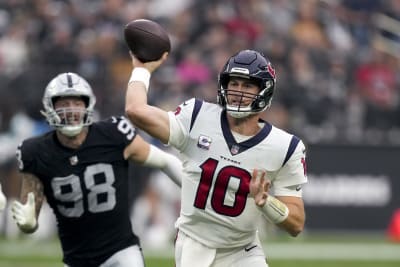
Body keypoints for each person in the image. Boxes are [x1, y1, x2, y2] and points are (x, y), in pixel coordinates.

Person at [125, 49, 308, 267]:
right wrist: (141, 70)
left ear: (264, 91)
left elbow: (296, 224)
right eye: (234, 84)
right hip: (194, 246)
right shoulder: (196, 116)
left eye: (248, 85)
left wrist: (267, 203)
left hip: (243, 250)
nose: (238, 92)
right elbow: (136, 110)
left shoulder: (286, 147)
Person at [10, 72, 183, 267]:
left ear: (88, 105)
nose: (71, 110)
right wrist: (28, 224)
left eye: (77, 103)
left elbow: (165, 161)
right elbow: (30, 213)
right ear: (50, 107)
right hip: (76, 259)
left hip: (121, 252)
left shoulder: (113, 134)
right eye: (63, 104)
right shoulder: (35, 152)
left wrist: (199, 191)